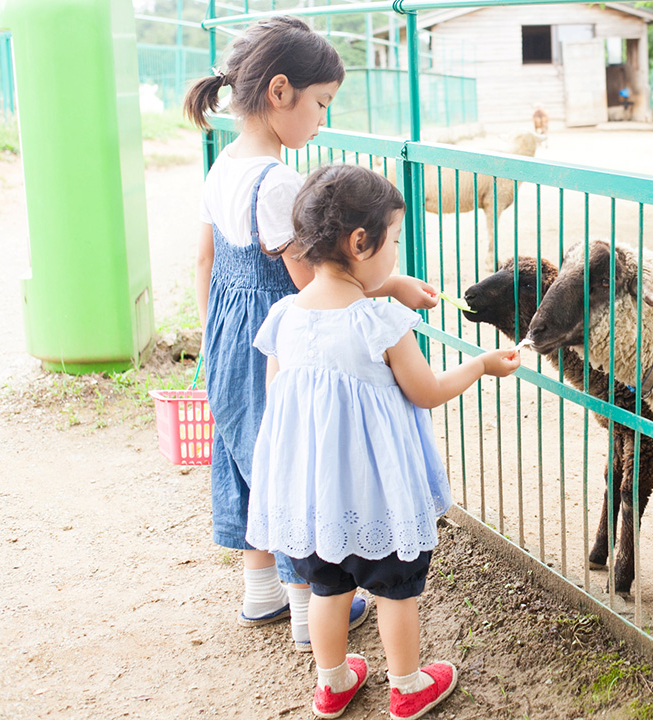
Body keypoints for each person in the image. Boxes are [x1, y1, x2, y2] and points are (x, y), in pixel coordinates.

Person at [183, 16, 438, 652]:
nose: (322, 119)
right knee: (301, 460)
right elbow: (317, 287)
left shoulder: (223, 165)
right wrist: (393, 289)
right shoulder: (278, 182)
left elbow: (204, 261)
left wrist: (214, 335)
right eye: (321, 103)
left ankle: (259, 588)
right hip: (284, 332)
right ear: (279, 92)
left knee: (254, 455)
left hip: (228, 323)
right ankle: (307, 604)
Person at [246, 164, 520, 720]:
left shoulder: (283, 318)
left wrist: (390, 286)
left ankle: (332, 683)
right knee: (395, 588)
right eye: (393, 240)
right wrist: (479, 366)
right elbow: (426, 391)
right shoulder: (381, 324)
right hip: (379, 496)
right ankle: (408, 685)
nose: (396, 251)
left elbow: (280, 404)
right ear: (360, 242)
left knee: (327, 589)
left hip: (315, 498)